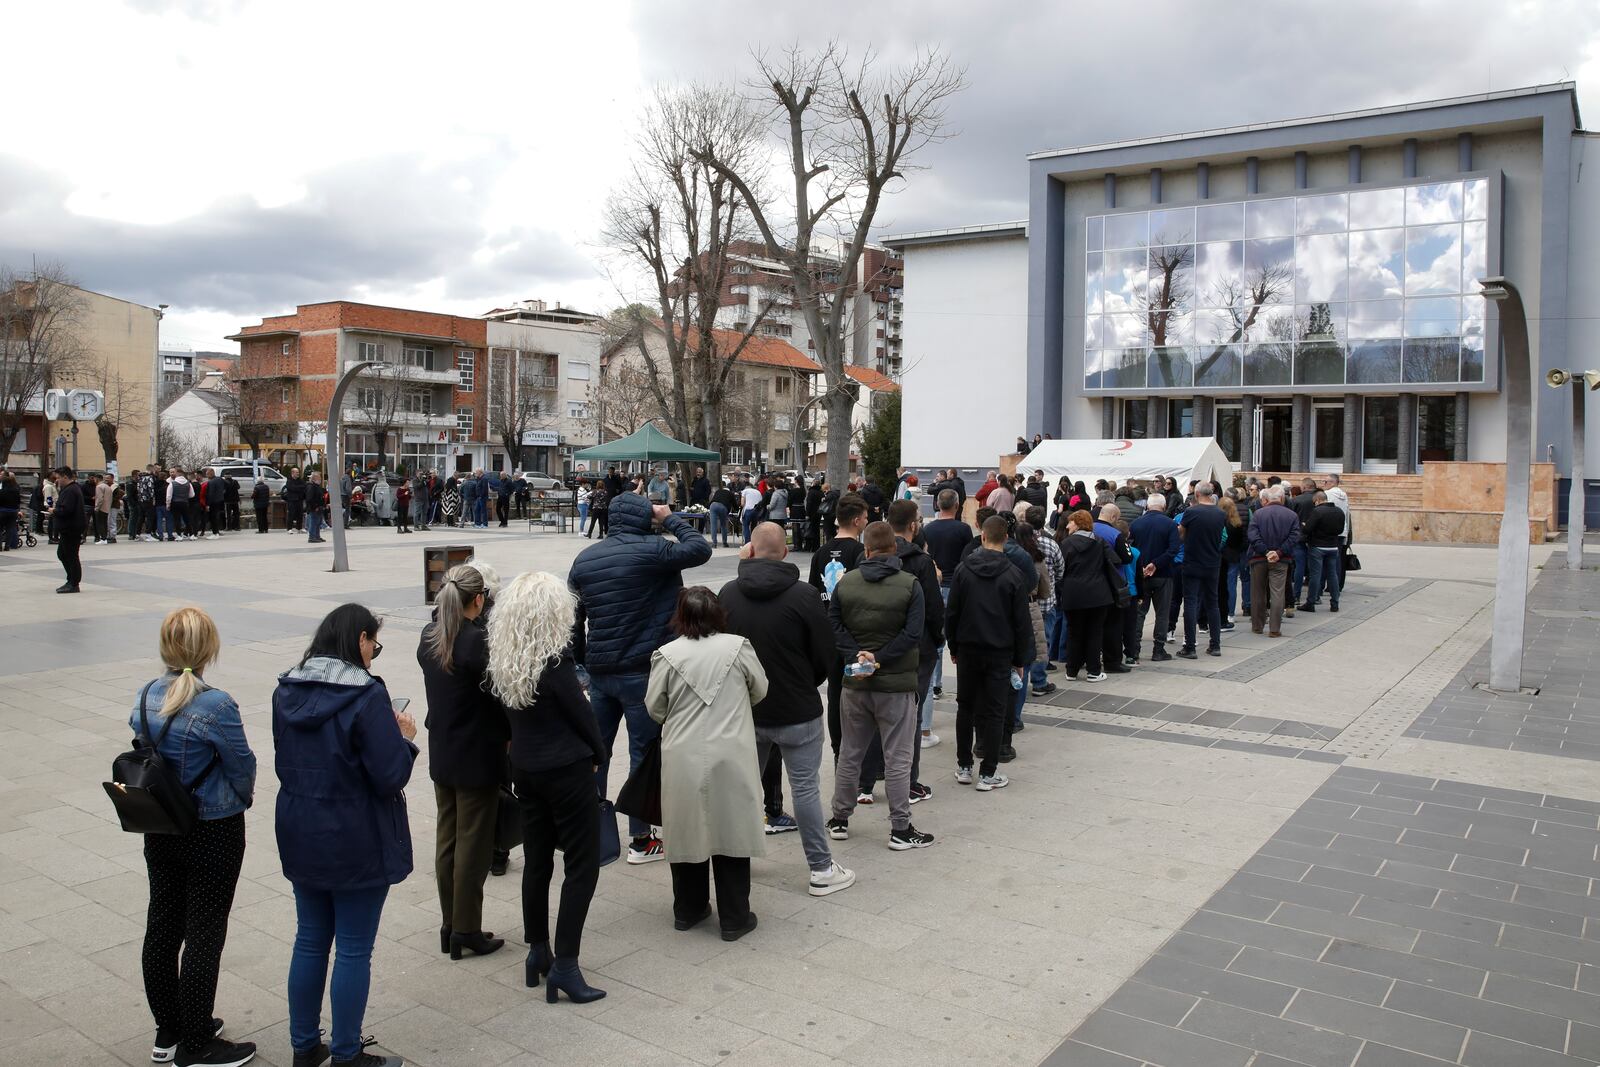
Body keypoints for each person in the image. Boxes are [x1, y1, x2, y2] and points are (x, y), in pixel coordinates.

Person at [273, 605, 417, 1067]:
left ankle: (303, 1046)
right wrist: (406, 739)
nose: (375, 652)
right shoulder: (366, 694)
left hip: (300, 823)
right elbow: (389, 773)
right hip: (355, 831)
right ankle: (347, 1052)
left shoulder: (287, 687)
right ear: (358, 639)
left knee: (310, 938)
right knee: (354, 946)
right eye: (374, 643)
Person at [135, 608, 258, 1067]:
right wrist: (241, 798)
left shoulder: (146, 694)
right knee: (205, 932)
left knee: (163, 924)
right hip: (213, 827)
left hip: (160, 823)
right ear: (209, 648)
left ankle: (169, 1029)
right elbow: (241, 765)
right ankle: (197, 1041)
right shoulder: (216, 704)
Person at [569, 491, 711, 864]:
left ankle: (590, 832)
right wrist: (669, 519)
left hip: (600, 673)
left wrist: (582, 665)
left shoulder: (585, 559)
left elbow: (573, 619)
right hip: (642, 670)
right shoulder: (655, 550)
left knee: (595, 752)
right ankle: (641, 837)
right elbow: (699, 548)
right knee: (643, 753)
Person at [487, 572, 609, 1002]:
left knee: (537, 860)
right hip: (566, 769)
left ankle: (538, 950)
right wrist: (600, 754)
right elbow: (583, 718)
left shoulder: (505, 658)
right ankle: (566, 964)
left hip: (526, 767)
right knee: (582, 865)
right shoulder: (555, 664)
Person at [719, 523, 855, 894]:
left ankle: (737, 865)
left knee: (746, 789)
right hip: (797, 707)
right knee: (806, 790)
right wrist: (806, 681)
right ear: (784, 552)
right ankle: (821, 869)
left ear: (750, 550)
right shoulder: (804, 596)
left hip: (747, 708)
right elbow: (825, 652)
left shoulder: (729, 594)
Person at [646, 587, 769, 940]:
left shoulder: (666, 655)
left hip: (682, 753)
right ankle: (734, 917)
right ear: (718, 613)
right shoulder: (738, 647)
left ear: (680, 616)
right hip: (731, 749)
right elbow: (760, 688)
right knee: (731, 829)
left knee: (686, 827)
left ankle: (688, 909)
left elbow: (655, 708)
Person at [417, 564, 509, 963]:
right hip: (477, 753)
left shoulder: (430, 636)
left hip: (445, 748)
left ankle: (449, 923)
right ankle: (466, 928)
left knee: (448, 838)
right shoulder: (476, 642)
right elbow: (500, 695)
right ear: (478, 599)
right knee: (473, 842)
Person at [825, 521, 934, 851]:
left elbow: (834, 624)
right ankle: (900, 828)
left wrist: (858, 656)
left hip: (855, 683)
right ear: (894, 549)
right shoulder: (910, 584)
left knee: (850, 753)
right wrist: (881, 658)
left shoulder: (847, 583)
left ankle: (840, 819)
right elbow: (914, 634)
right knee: (898, 758)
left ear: (866, 549)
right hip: (896, 686)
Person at [946, 515, 1031, 790]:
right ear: (1005, 539)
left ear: (982, 536)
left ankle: (963, 765)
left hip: (969, 648)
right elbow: (1021, 621)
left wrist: (954, 645)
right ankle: (988, 771)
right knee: (996, 710)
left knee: (966, 707)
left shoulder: (963, 570)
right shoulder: (1013, 574)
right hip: (999, 650)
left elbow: (953, 612)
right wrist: (1020, 659)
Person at [809, 492, 868, 759]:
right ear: (857, 520)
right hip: (852, 633)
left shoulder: (820, 553)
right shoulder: (859, 552)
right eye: (866, 517)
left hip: (826, 632)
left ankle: (837, 750)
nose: (868, 521)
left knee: (835, 695)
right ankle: (855, 752)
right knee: (857, 696)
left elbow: (812, 592)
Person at [1057, 510, 1128, 682]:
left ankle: (1071, 670)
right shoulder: (1099, 541)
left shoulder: (1066, 544)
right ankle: (1093, 671)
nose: (1067, 525)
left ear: (1079, 523)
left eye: (1070, 522)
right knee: (1095, 632)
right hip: (1098, 594)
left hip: (1073, 593)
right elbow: (1116, 560)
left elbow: (1060, 569)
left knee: (1074, 632)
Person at [921, 488, 970, 714]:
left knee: (937, 637)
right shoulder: (963, 530)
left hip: (934, 585)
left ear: (938, 505)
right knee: (958, 636)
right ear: (957, 505)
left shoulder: (928, 529)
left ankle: (936, 683)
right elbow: (968, 559)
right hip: (956, 586)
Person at [1176, 482, 1228, 659]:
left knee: (1190, 603)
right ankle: (1215, 645)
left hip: (1192, 561)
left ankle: (1190, 646)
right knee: (1212, 603)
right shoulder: (1220, 513)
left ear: (1197, 494)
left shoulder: (1191, 512)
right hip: (1212, 562)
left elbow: (1181, 534)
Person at [1247, 486, 1300, 637]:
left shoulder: (1258, 514)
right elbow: (1294, 537)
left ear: (1267, 499)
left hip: (1259, 558)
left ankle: (1257, 626)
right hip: (1281, 559)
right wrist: (1278, 552)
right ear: (1282, 498)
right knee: (1278, 593)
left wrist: (1265, 551)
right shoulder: (1291, 515)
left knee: (1258, 592)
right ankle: (1274, 628)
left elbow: (1252, 535)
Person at [1300, 490, 1344, 613]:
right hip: (1333, 546)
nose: (1314, 504)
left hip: (1318, 546)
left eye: (1315, 502)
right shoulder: (1339, 511)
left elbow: (1307, 529)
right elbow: (1340, 530)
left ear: (1318, 500)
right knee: (1332, 575)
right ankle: (1335, 603)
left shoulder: (1317, 511)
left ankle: (1311, 602)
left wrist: (1304, 525)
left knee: (1315, 575)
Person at [47, 466, 85, 592]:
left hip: (71, 528)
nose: (57, 480)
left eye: (58, 478)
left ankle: (74, 583)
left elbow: (66, 510)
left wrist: (54, 510)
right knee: (63, 554)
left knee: (70, 555)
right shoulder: (71, 489)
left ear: (65, 476)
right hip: (68, 528)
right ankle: (71, 580)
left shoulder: (70, 490)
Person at [709, 481, 735, 547]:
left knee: (713, 525)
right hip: (723, 507)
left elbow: (712, 500)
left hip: (713, 505)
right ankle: (724, 543)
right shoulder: (731, 494)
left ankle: (714, 543)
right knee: (723, 525)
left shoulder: (718, 491)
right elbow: (735, 505)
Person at [305, 473, 328, 543]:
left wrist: (323, 505)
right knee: (314, 522)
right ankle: (312, 537)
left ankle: (317, 536)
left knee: (318, 522)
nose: (320, 480)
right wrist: (315, 506)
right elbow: (309, 499)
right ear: (315, 479)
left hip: (319, 507)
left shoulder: (317, 487)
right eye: (319, 478)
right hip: (315, 508)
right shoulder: (311, 487)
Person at [283, 468, 307, 534]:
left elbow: (304, 486)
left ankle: (299, 528)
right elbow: (291, 488)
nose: (298, 473)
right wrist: (299, 488)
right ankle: (289, 528)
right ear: (292, 473)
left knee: (300, 514)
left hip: (299, 499)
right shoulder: (289, 480)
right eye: (296, 472)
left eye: (298, 472)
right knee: (291, 514)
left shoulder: (300, 480)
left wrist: (297, 488)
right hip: (292, 500)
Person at [739, 479, 762, 545]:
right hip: (757, 511)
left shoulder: (745, 491)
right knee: (754, 527)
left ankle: (748, 543)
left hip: (748, 510)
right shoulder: (758, 492)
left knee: (746, 526)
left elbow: (742, 503)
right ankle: (754, 542)